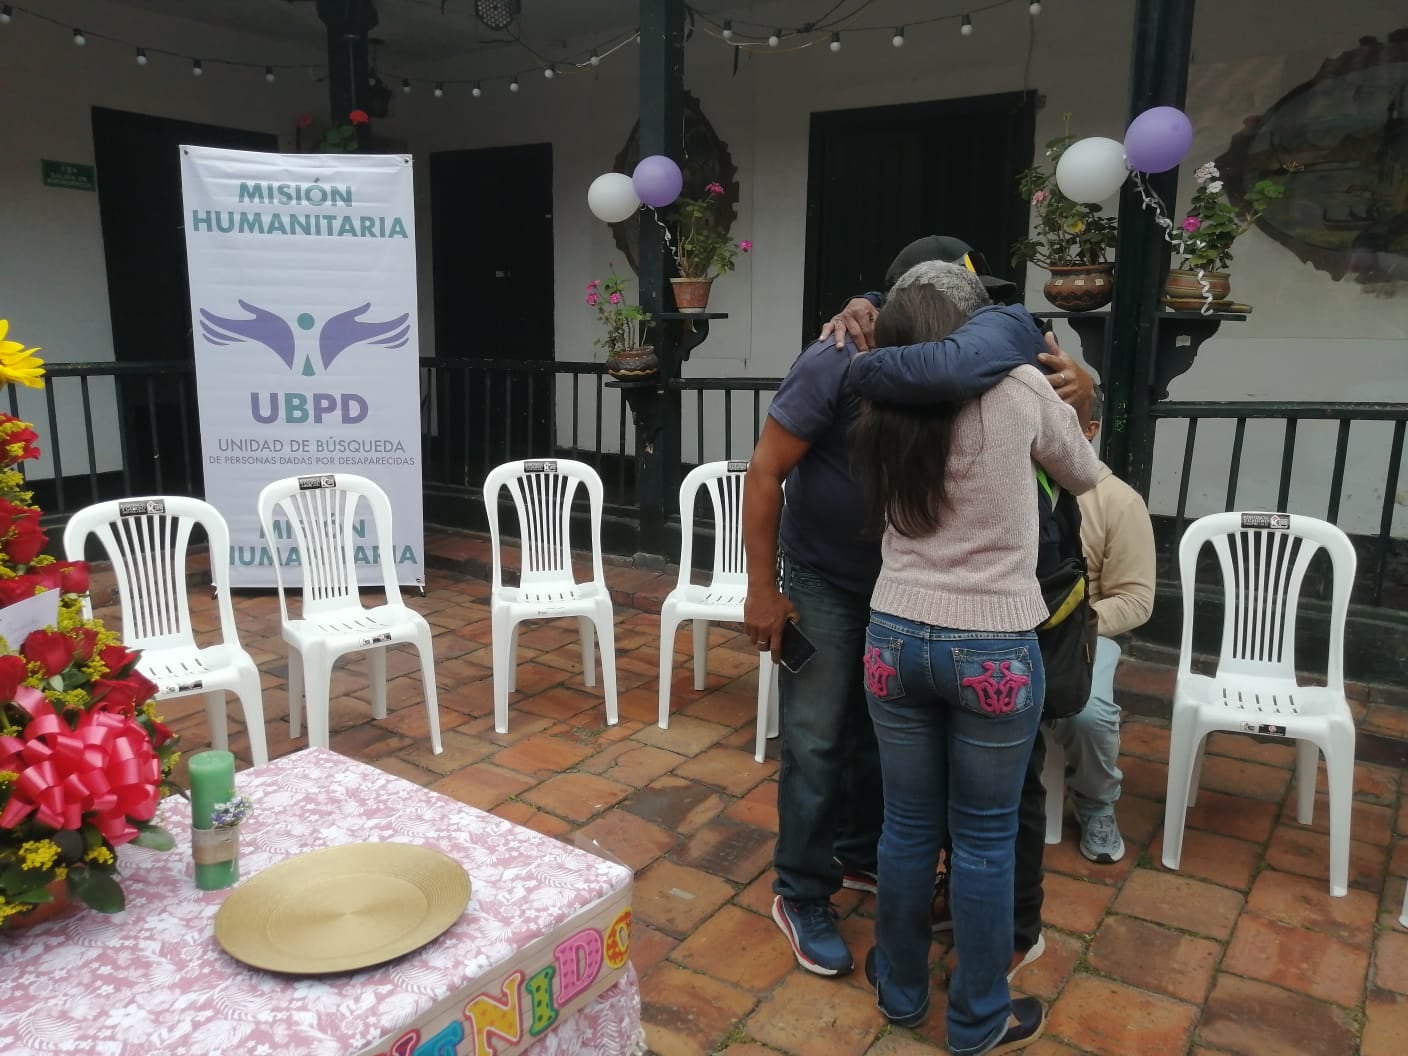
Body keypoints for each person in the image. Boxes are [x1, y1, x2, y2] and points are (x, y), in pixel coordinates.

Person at [743, 237, 1094, 979]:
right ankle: (801, 891)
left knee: (881, 743)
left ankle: (863, 858)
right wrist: (761, 589)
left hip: (911, 596)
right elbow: (767, 470)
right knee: (815, 739)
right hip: (828, 580)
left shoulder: (967, 372)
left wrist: (1081, 391)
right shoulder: (838, 357)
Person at [849, 267, 1101, 1051]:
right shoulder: (1021, 389)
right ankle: (978, 1018)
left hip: (894, 635)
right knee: (987, 840)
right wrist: (1084, 400)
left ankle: (898, 989)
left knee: (905, 828)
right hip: (994, 645)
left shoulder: (879, 398)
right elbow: (1086, 476)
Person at [1049, 387, 1156, 863]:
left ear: (1090, 432)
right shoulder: (1009, 484)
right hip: (1008, 629)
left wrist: (1077, 622)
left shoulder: (1117, 500)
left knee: (1088, 714)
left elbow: (1135, 599)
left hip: (1084, 634)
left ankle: (1096, 802)